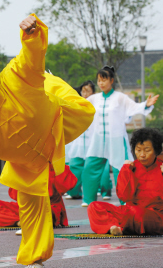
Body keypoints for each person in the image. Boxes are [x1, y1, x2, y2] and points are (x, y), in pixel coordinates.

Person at [0, 14, 95, 268]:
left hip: (57, 120)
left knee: (61, 93)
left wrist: (31, 33)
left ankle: (50, 80)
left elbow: (29, 56)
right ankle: (35, 263)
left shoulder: (14, 77)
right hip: (26, 163)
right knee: (30, 210)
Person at [81, 66, 159, 206]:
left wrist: (145, 105)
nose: (101, 83)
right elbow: (79, 107)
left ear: (111, 80)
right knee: (89, 168)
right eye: (99, 80)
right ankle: (88, 199)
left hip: (116, 140)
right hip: (98, 140)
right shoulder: (93, 99)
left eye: (104, 80)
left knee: (122, 169)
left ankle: (126, 200)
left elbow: (135, 107)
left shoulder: (120, 98)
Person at [88, 128, 163, 236]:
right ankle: (114, 227)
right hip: (129, 211)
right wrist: (126, 171)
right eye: (138, 150)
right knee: (94, 207)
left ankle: (117, 225)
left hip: (154, 216)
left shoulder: (161, 167)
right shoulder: (131, 167)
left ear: (156, 151)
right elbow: (124, 197)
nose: (142, 154)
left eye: (147, 150)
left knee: (136, 213)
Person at [0, 165, 77, 228]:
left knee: (47, 215)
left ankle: (13, 221)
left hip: (48, 207)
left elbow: (66, 185)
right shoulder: (22, 164)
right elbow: (15, 195)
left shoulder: (55, 163)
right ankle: (19, 222)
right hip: (25, 207)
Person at [65, 81, 112, 201]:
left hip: (94, 143)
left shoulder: (98, 106)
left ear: (94, 92)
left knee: (100, 170)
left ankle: (105, 191)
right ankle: (74, 192)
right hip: (79, 144)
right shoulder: (77, 105)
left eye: (87, 90)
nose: (85, 93)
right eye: (83, 91)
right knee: (75, 167)